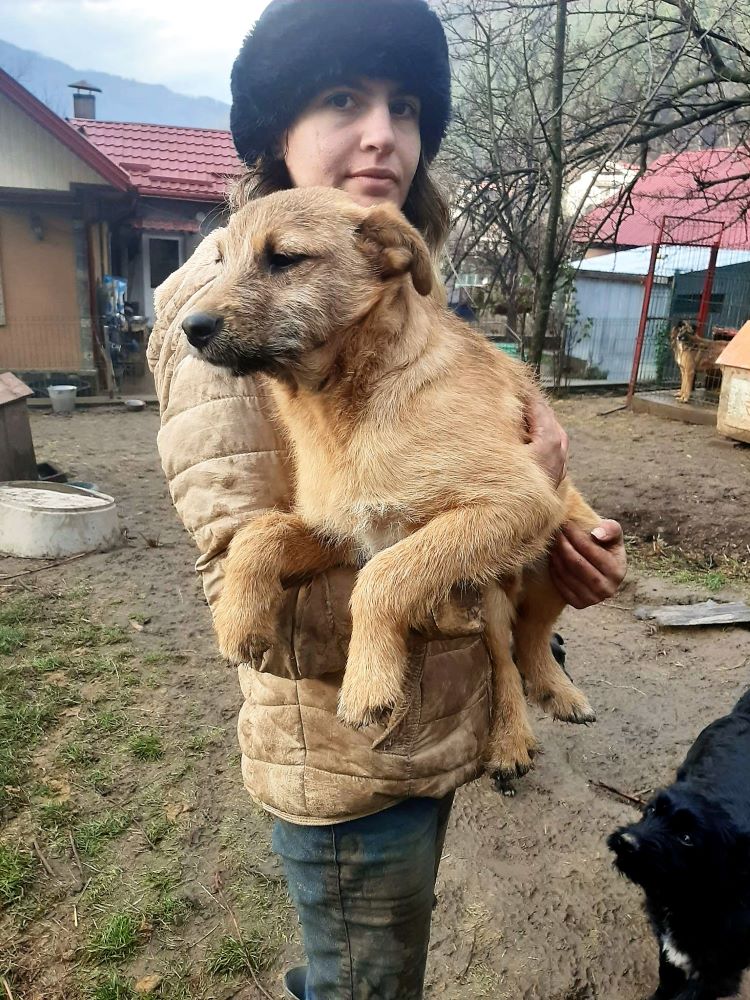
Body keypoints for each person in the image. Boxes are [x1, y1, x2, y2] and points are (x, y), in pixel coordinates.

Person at [147, 2, 627, 997]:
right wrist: (443, 563)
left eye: (404, 105)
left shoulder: (402, 300)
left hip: (424, 732)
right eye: (340, 98)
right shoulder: (218, 326)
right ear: (275, 132)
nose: (382, 132)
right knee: (367, 981)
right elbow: (263, 600)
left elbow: (469, 501)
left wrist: (548, 550)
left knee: (364, 970)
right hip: (345, 764)